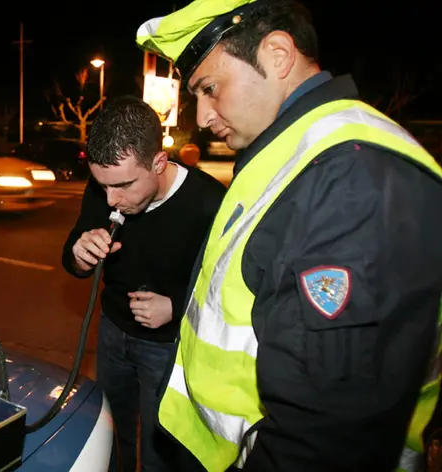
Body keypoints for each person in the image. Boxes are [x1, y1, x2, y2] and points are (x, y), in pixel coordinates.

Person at [135, 0, 442, 471]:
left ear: (278, 55)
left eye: (210, 89)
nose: (201, 116)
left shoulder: (353, 176)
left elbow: (326, 435)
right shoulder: (295, 151)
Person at [62, 96, 226, 471]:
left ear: (159, 162)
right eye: (102, 186)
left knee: (159, 447)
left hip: (168, 346)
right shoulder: (105, 189)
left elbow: (227, 291)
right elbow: (71, 260)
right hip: (112, 331)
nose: (112, 200)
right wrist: (79, 254)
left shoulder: (209, 203)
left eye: (122, 186)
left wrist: (176, 307)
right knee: (112, 434)